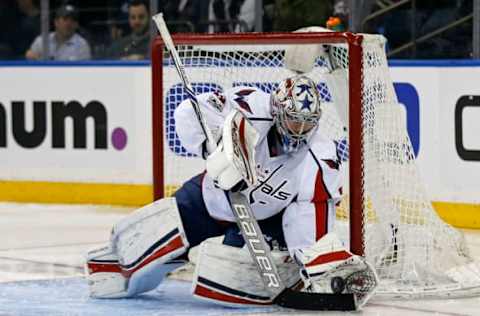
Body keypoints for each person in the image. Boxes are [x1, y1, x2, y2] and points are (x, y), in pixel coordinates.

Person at [85, 75, 377, 308]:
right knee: (144, 241)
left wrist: (313, 263)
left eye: (307, 123)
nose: (299, 130)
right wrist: (213, 150)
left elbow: (309, 216)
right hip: (211, 196)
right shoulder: (248, 106)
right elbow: (188, 112)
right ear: (277, 111)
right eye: (293, 120)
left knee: (226, 274)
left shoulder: (320, 158)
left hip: (264, 222)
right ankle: (144, 262)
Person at [25, 4, 91, 61]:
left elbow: (84, 72)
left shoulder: (82, 45)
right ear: (56, 22)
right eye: (65, 19)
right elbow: (29, 61)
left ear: (76, 25)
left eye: (73, 20)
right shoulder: (42, 40)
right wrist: (31, 57)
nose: (69, 24)